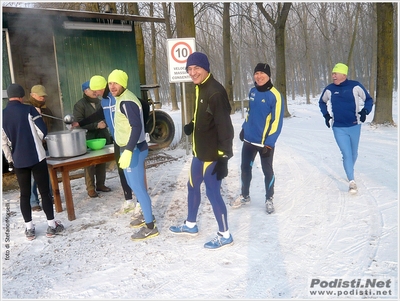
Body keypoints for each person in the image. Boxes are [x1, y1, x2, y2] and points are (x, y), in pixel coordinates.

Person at [169, 52, 234, 250]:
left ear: (206, 68)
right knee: (192, 186)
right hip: (200, 152)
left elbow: (225, 126)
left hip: (213, 155)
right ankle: (190, 225)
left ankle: (225, 234)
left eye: (196, 68)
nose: (192, 72)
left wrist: (224, 157)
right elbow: (205, 116)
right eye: (189, 69)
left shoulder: (215, 91)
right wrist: (192, 125)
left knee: (213, 193)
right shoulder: (200, 87)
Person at [2, 83, 64, 240]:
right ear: (22, 97)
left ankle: (29, 229)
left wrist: (11, 159)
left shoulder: (2, 115)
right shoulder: (29, 110)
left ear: (9, 96)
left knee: (24, 194)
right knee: (44, 192)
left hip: (18, 160)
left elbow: (3, 141)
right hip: (37, 157)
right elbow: (42, 131)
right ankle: (51, 226)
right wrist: (37, 143)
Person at [71, 75, 137, 213]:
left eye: (96, 90)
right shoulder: (102, 102)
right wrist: (80, 123)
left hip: (127, 139)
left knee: (132, 171)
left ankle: (140, 201)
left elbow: (138, 110)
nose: (95, 93)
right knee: (121, 170)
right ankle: (128, 199)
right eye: (92, 90)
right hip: (111, 139)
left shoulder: (118, 98)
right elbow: (98, 115)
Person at [108, 69, 158, 241]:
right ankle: (145, 214)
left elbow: (136, 127)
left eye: (115, 83)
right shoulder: (121, 98)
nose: (112, 86)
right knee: (132, 183)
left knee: (138, 187)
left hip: (134, 149)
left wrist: (129, 150)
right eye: (110, 83)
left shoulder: (126, 101)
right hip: (128, 148)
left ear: (123, 83)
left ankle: (150, 227)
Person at [230, 63, 284, 214]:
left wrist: (269, 143)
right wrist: (243, 128)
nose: (258, 76)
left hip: (264, 143)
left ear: (268, 75)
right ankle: (245, 196)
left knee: (267, 170)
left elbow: (277, 122)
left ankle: (269, 198)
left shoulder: (276, 95)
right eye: (256, 73)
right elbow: (250, 113)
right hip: (249, 140)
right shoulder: (252, 91)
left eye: (262, 73)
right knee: (245, 168)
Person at [319, 63, 374, 193]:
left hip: (355, 125)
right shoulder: (329, 89)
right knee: (346, 153)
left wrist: (365, 111)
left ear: (344, 74)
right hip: (338, 127)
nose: (333, 76)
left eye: (335, 73)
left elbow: (369, 99)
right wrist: (326, 115)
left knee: (354, 153)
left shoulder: (355, 86)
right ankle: (351, 181)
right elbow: (322, 102)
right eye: (332, 73)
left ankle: (349, 168)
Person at [73, 81, 113, 198]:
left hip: (102, 136)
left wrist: (104, 123)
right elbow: (79, 123)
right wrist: (96, 125)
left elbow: (108, 115)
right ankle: (90, 188)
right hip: (89, 138)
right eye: (92, 89)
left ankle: (101, 184)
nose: (95, 91)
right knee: (89, 163)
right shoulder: (80, 105)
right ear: (86, 91)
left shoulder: (101, 102)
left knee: (102, 160)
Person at [26, 85, 54, 212]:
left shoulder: (47, 110)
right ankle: (33, 202)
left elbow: (52, 126)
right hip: (32, 147)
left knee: (47, 174)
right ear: (32, 95)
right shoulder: (26, 109)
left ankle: (48, 197)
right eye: (40, 96)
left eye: (44, 96)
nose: (42, 98)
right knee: (33, 176)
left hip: (46, 145)